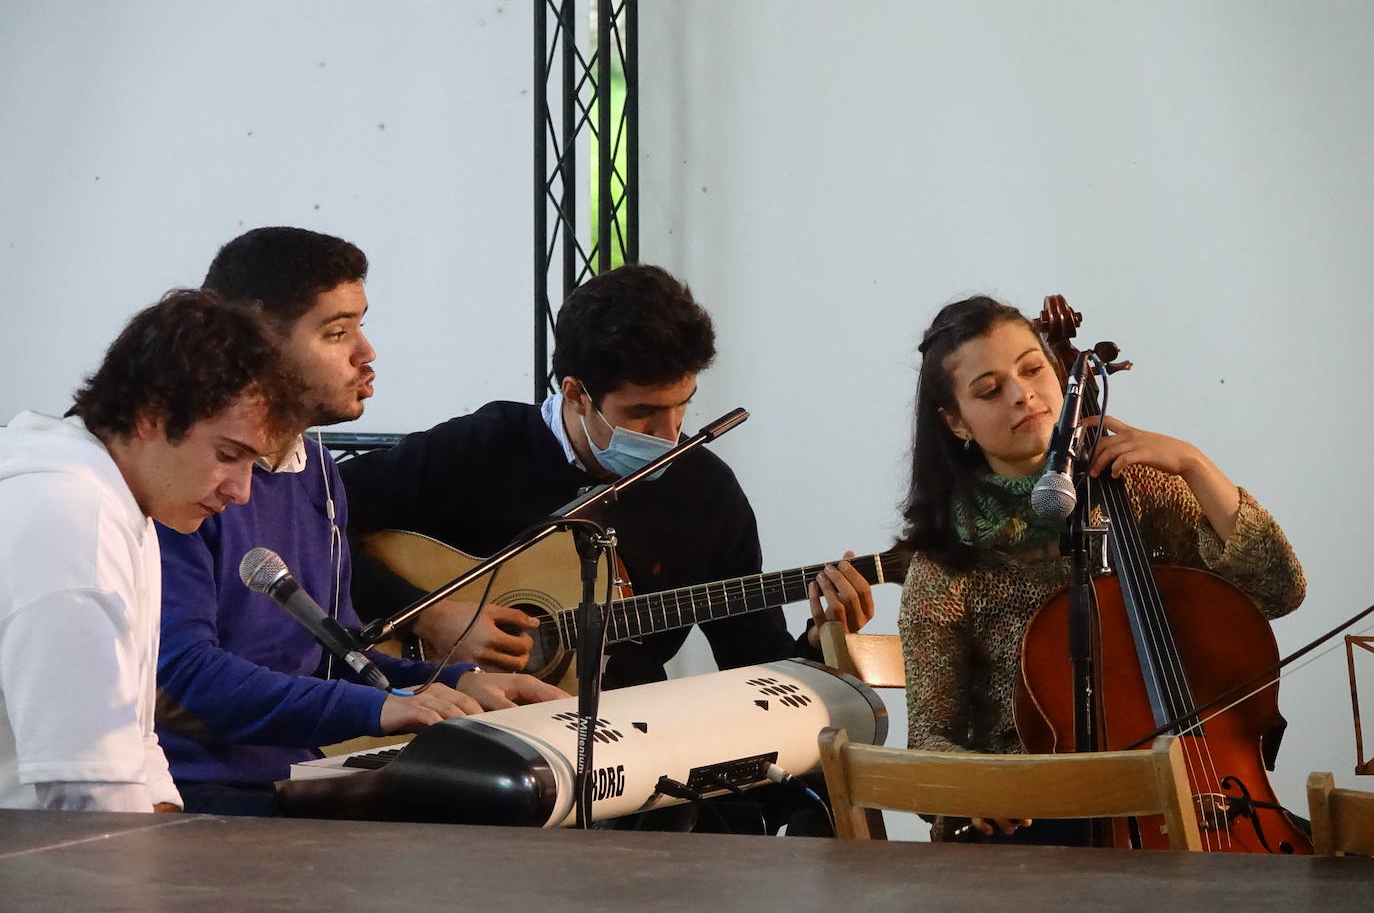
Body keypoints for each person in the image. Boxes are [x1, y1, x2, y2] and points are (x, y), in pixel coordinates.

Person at [155, 227, 564, 815]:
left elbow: (335, 652)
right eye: (337, 332)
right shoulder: (189, 478)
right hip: (192, 796)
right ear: (253, 339)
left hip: (288, 777)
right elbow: (187, 676)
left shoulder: (316, 469)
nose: (365, 352)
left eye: (360, 326)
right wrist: (379, 708)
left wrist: (452, 682)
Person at [340, 263, 876, 690]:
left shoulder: (705, 492)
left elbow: (754, 665)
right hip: (452, 726)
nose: (669, 437)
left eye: (682, 407)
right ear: (576, 392)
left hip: (625, 749)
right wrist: (425, 616)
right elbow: (310, 520)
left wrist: (821, 639)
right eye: (642, 414)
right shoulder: (483, 447)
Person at [895, 295, 1306, 844]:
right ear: (956, 422)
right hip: (1038, 821)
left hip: (1201, 792)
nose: (1023, 395)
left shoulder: (1134, 488)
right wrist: (976, 790)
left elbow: (1278, 590)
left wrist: (1193, 463)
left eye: (1033, 368)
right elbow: (931, 738)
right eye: (990, 391)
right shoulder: (946, 567)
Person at [0, 289, 302, 812]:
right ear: (150, 417)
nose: (241, 490)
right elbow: (87, 796)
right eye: (228, 455)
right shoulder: (72, 515)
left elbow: (134, 742)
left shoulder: (120, 500)